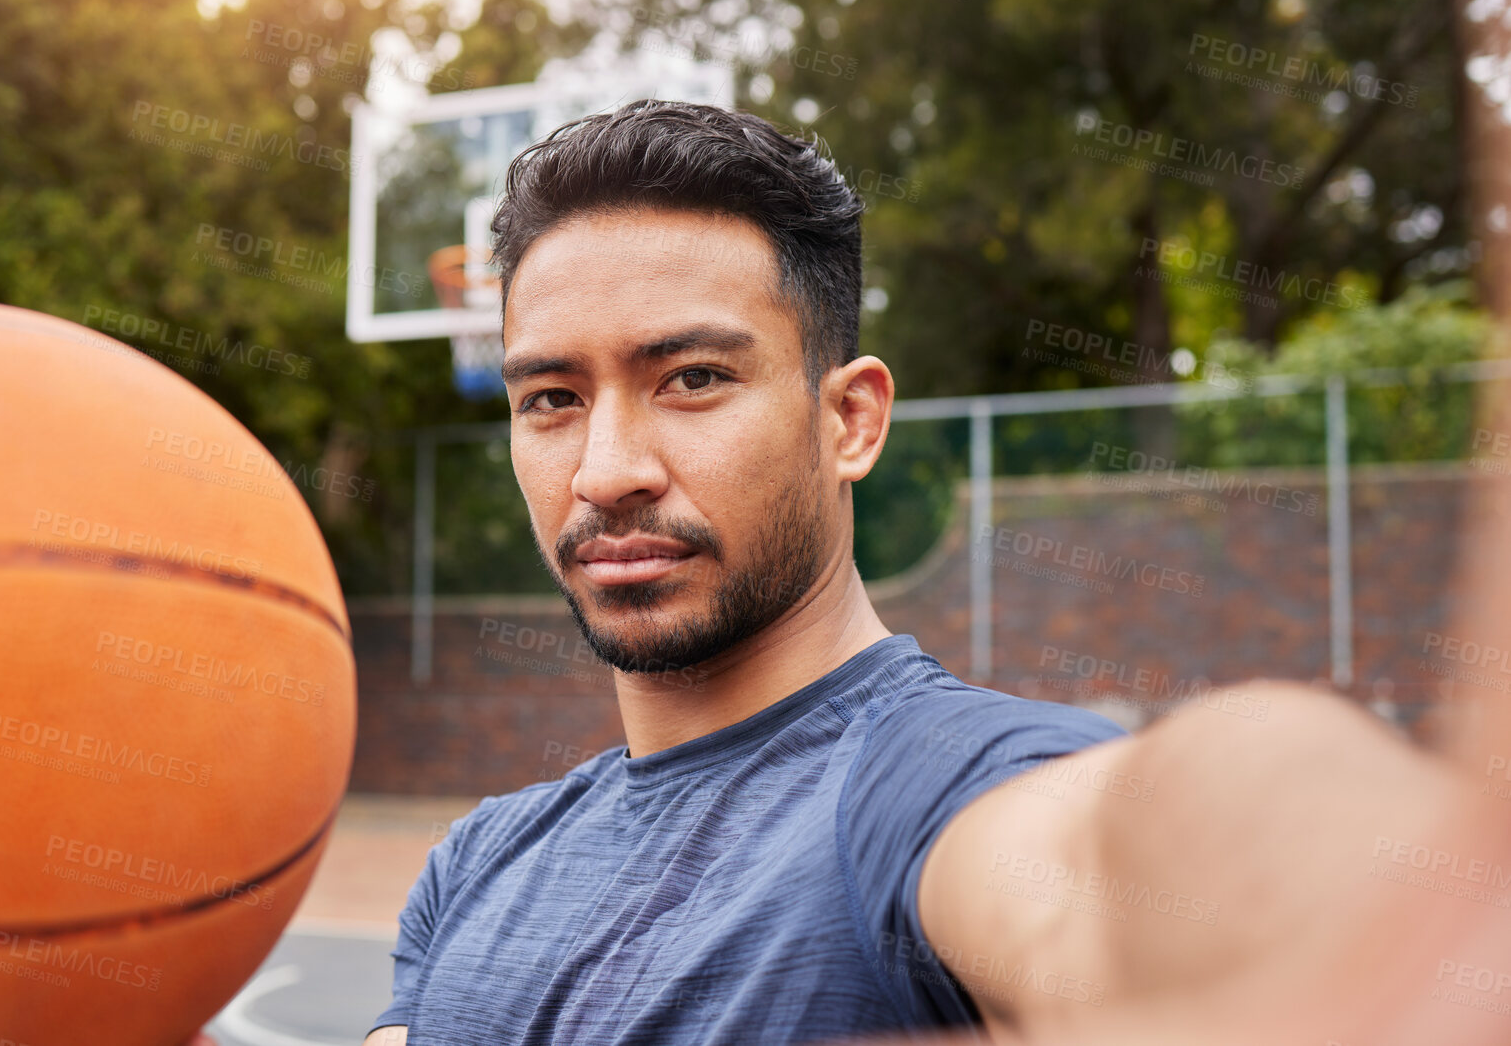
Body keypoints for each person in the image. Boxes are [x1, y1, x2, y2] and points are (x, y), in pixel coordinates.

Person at [347, 100, 1508, 1045]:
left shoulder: (922, 785)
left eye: (693, 378)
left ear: (850, 421)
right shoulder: (479, 862)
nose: (606, 470)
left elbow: (1162, 830)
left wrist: (1379, 922)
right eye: (552, 399)